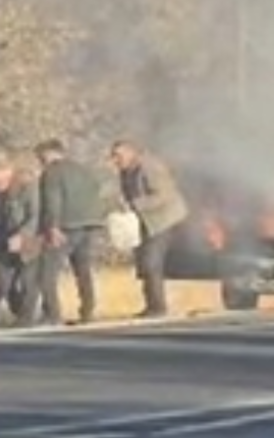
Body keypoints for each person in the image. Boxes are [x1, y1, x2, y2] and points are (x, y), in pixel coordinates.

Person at [110, 140, 188, 318]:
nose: (115, 160)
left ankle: (158, 307)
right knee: (144, 263)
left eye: (118, 155)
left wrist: (136, 204)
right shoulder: (125, 171)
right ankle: (151, 305)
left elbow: (164, 195)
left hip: (164, 219)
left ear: (131, 153)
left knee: (151, 262)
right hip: (145, 220)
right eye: (113, 156)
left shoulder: (150, 167)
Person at [35, 139, 105, 325]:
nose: (40, 161)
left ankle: (52, 314)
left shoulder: (52, 172)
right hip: (90, 224)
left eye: (40, 157)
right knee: (83, 270)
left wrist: (53, 226)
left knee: (47, 271)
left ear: (49, 153)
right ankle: (88, 311)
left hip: (65, 226)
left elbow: (52, 200)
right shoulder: (83, 170)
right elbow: (97, 192)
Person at [0, 161, 43, 327]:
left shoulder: (27, 189)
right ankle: (12, 311)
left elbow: (34, 215)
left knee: (28, 281)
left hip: (27, 241)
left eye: (1, 181)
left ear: (10, 176)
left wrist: (22, 235)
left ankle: (26, 317)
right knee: (4, 283)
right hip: (2, 243)